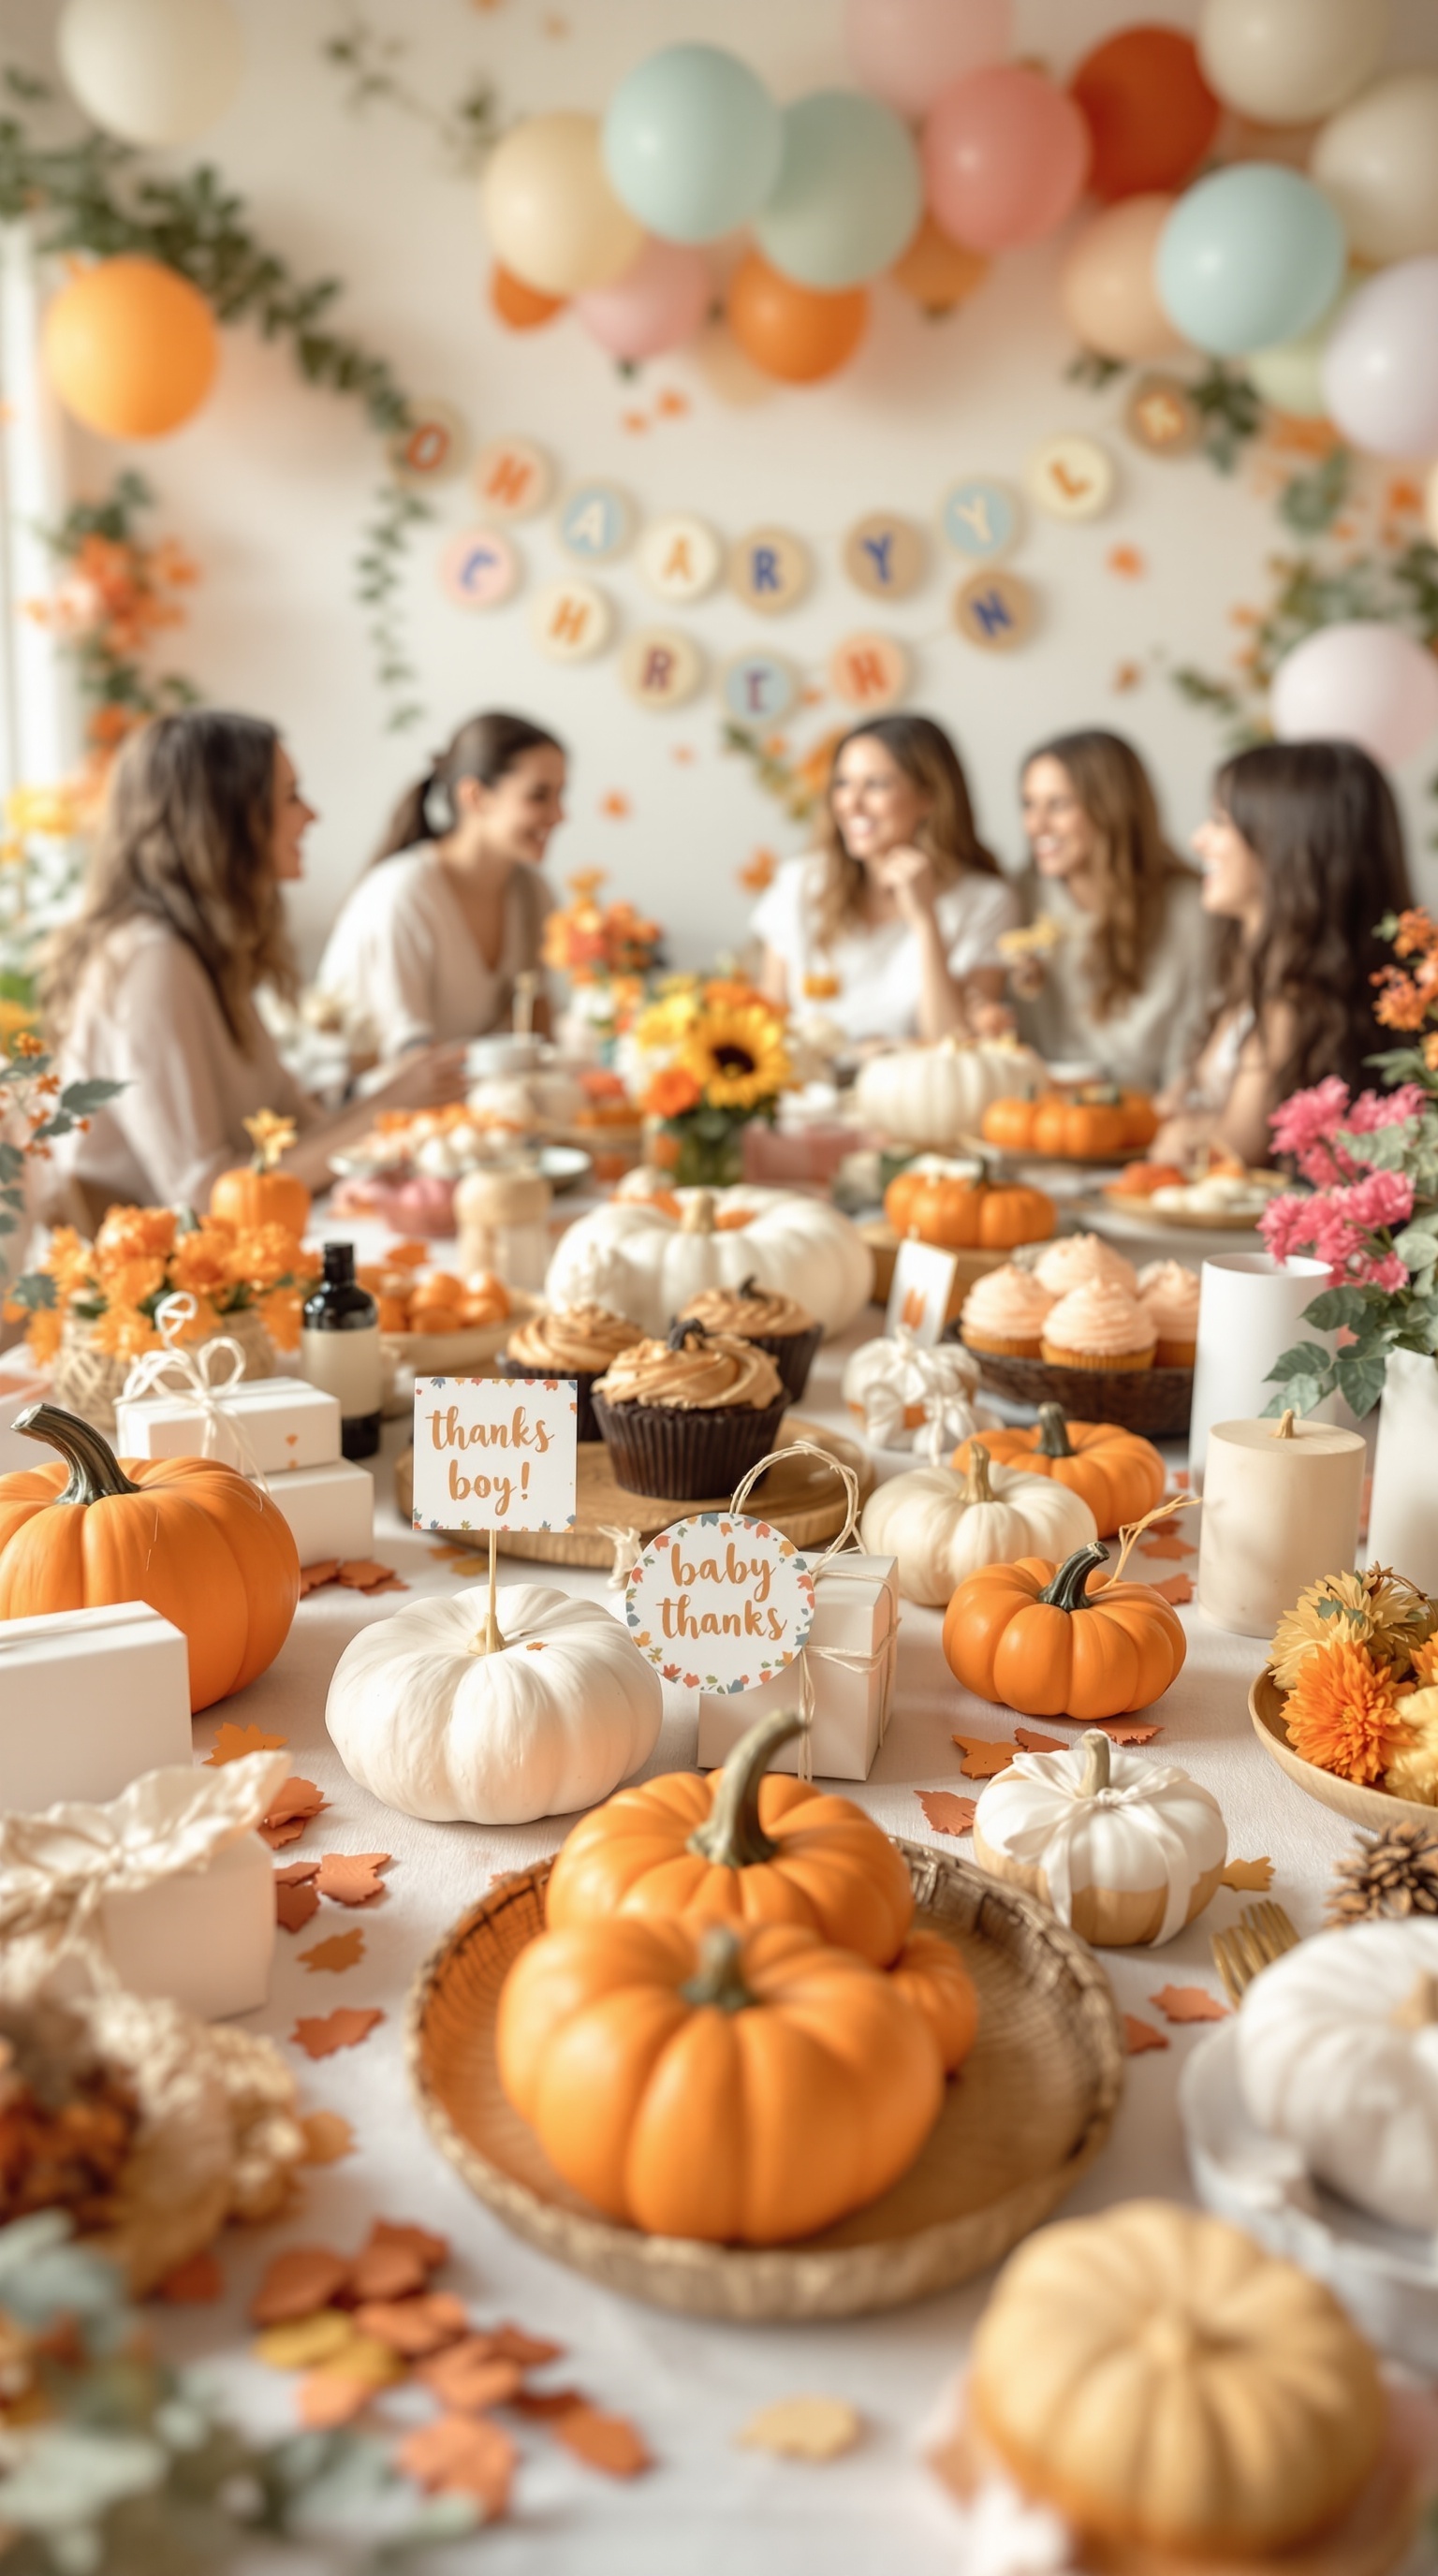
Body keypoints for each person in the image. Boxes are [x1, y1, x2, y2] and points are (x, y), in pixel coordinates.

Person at [41, 710, 450, 1222]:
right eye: (290, 797)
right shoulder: (152, 962)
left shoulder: (211, 948)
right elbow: (204, 1194)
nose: (312, 815)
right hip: (164, 1279)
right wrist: (388, 1107)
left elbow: (295, 1128)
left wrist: (392, 1107)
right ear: (226, 819)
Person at [1152, 739, 1414, 1169]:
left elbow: (1233, 1152)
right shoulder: (1255, 968)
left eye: (1219, 822)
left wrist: (1191, 1134)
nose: (1198, 840)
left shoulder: (1296, 1000)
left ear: (1282, 845)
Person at [753, 712, 1020, 1044]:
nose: (851, 803)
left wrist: (925, 920)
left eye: (876, 784)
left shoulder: (985, 901)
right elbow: (767, 1025)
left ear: (929, 798)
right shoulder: (800, 883)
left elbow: (955, 1046)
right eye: (842, 783)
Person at [317, 711, 564, 1060]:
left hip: (471, 1101)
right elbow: (407, 1060)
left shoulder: (532, 893)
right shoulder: (402, 895)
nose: (559, 815)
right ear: (476, 797)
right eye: (539, 796)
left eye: (560, 794)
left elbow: (538, 1028)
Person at [1013, 728, 1211, 1090]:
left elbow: (1194, 1036)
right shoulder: (1019, 900)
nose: (1036, 825)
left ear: (1112, 808)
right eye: (1029, 804)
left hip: (1143, 1118)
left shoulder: (1190, 910)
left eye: (1058, 805)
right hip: (1039, 1112)